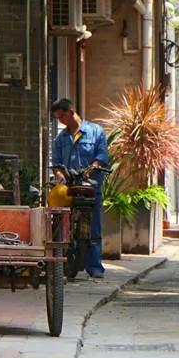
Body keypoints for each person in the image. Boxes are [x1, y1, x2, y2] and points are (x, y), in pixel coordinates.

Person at [50, 98, 109, 278]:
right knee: (61, 222)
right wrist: (60, 175)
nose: (60, 121)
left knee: (93, 227)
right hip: (69, 186)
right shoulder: (61, 138)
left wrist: (92, 169)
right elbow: (57, 163)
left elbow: (102, 156)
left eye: (61, 117)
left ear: (70, 112)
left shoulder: (96, 132)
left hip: (91, 186)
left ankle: (95, 267)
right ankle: (64, 261)